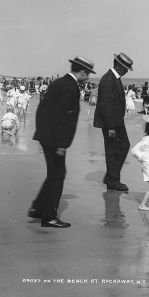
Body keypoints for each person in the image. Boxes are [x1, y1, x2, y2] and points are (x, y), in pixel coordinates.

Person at [28, 56, 96, 228]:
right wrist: (60, 144)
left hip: (47, 136)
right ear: (81, 71)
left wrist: (42, 133)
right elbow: (61, 117)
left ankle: (38, 208)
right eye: (87, 73)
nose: (88, 77)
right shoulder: (70, 87)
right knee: (57, 175)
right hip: (55, 140)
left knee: (54, 173)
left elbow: (42, 109)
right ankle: (49, 216)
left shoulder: (59, 83)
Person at [93, 52, 134, 192]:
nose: (127, 71)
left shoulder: (114, 78)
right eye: (125, 68)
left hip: (117, 120)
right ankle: (113, 181)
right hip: (111, 122)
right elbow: (105, 105)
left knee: (124, 146)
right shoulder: (107, 80)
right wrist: (110, 127)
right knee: (112, 150)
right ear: (118, 66)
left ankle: (111, 176)